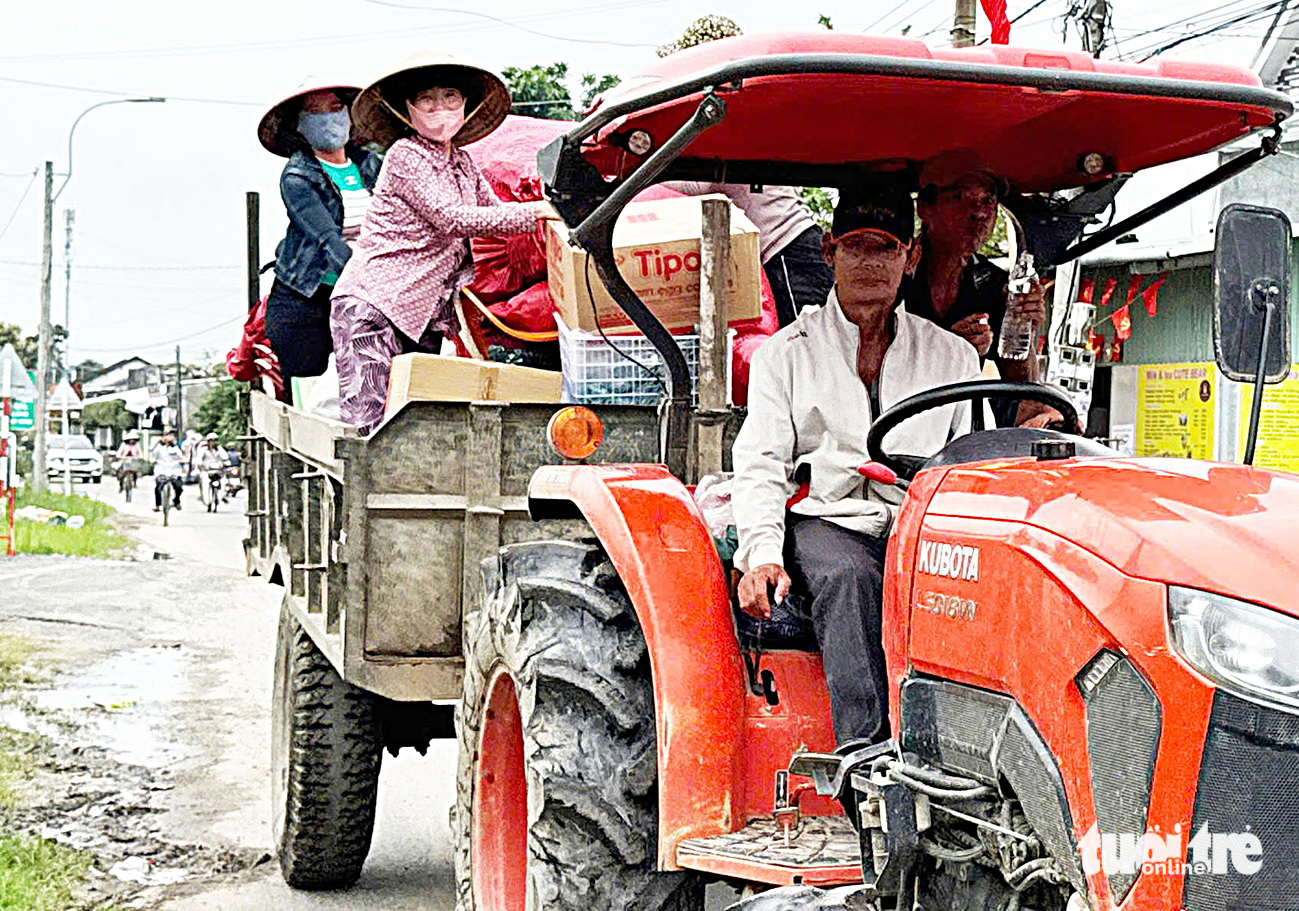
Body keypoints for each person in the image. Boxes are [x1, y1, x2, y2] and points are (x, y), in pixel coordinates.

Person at [731, 186, 982, 745]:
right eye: (855, 247)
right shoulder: (786, 353)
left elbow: (965, 470)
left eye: (885, 248)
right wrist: (762, 555)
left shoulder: (955, 357)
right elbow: (760, 462)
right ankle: (868, 761)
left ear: (909, 256)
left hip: (916, 523)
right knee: (850, 576)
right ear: (828, 252)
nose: (870, 263)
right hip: (826, 519)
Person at [331, 55, 551, 433]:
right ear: (408, 111)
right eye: (427, 100)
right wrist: (540, 212)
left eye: (450, 97)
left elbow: (496, 217)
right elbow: (453, 218)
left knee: (416, 426)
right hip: (374, 308)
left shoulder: (463, 162)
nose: (440, 109)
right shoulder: (405, 156)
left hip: (423, 314)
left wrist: (560, 217)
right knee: (371, 432)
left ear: (466, 106)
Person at [657, 18, 834, 325]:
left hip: (789, 254)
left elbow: (693, 185)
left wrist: (638, 176)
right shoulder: (737, 117)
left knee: (806, 355)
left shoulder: (730, 121)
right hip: (782, 255)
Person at [906, 151, 1058, 427]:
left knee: (1048, 412)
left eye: (988, 200)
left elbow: (1020, 384)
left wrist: (1025, 327)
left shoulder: (993, 283)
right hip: (898, 412)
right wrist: (951, 350)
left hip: (964, 420)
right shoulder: (895, 275)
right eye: (958, 198)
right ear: (924, 209)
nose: (978, 212)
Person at [258, 80, 382, 394]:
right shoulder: (298, 176)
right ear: (299, 125)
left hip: (359, 296)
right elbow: (329, 242)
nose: (328, 118)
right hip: (307, 301)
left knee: (371, 386)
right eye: (314, 112)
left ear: (350, 115)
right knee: (313, 396)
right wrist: (378, 281)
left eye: (335, 108)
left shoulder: (372, 166)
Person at [151, 433, 185, 512]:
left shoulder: (176, 448)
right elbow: (153, 454)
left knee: (179, 486)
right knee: (158, 487)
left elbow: (181, 457)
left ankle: (176, 501)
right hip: (161, 469)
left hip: (175, 470)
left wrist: (183, 460)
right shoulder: (159, 447)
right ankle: (158, 505)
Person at [196, 433, 232, 509]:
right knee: (204, 483)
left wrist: (226, 463)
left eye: (215, 440)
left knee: (224, 482)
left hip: (218, 471)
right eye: (211, 441)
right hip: (207, 470)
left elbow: (225, 458)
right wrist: (200, 463)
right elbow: (199, 459)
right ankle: (207, 500)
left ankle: (221, 497)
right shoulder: (203, 450)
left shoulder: (220, 449)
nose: (213, 442)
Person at [115, 430, 143, 496]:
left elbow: (140, 452)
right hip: (125, 459)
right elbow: (119, 452)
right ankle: (121, 485)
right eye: (130, 439)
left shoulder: (136, 445)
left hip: (133, 460)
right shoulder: (124, 445)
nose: (132, 441)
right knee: (120, 471)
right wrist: (119, 456)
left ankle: (135, 483)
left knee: (135, 470)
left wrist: (140, 457)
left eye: (133, 439)